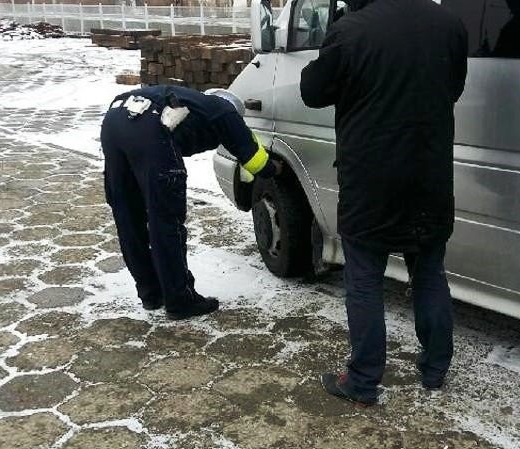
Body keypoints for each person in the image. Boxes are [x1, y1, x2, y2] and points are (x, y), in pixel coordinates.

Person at [300, 0, 468, 406]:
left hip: (370, 180)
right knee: (428, 269)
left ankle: (362, 380)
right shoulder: (449, 24)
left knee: (364, 278)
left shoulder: (351, 30)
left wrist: (334, 35)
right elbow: (454, 88)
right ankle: (435, 368)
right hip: (429, 174)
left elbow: (312, 91)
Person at [100, 85, 278, 320]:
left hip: (114, 121)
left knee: (128, 216)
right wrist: (274, 169)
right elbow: (252, 157)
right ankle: (180, 300)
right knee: (165, 221)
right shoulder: (225, 112)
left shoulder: (189, 103)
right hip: (149, 130)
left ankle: (151, 293)